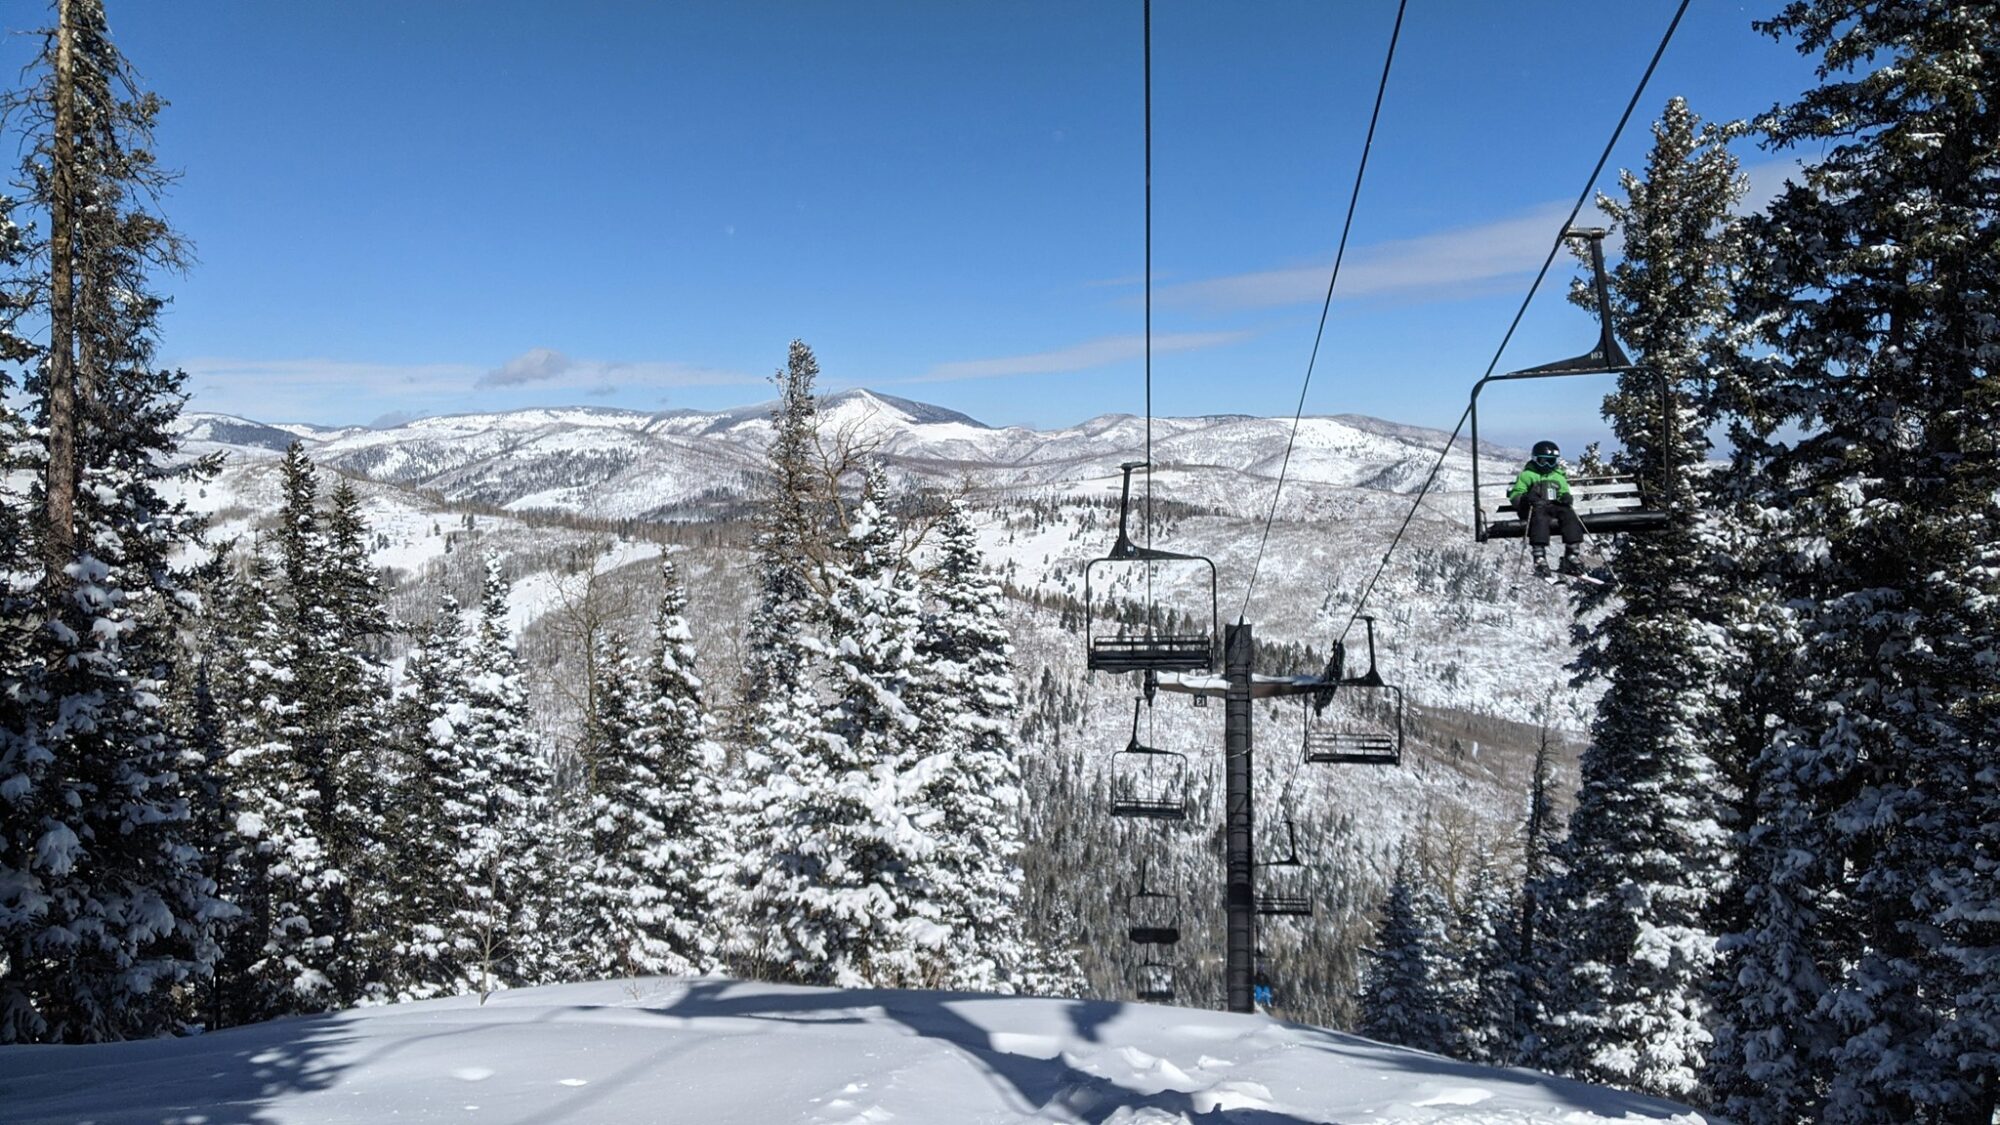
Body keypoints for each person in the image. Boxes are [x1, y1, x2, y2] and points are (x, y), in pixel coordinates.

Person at [1508, 440, 1585, 577]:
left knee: (1569, 514)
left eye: (1552, 461)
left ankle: (1571, 554)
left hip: (1553, 506)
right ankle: (1539, 557)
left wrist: (1566, 497)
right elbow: (1515, 495)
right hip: (1533, 508)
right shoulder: (1527, 475)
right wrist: (1525, 498)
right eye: (1543, 461)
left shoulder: (1558, 476)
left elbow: (1563, 492)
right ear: (1535, 460)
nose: (1548, 465)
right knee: (1540, 518)